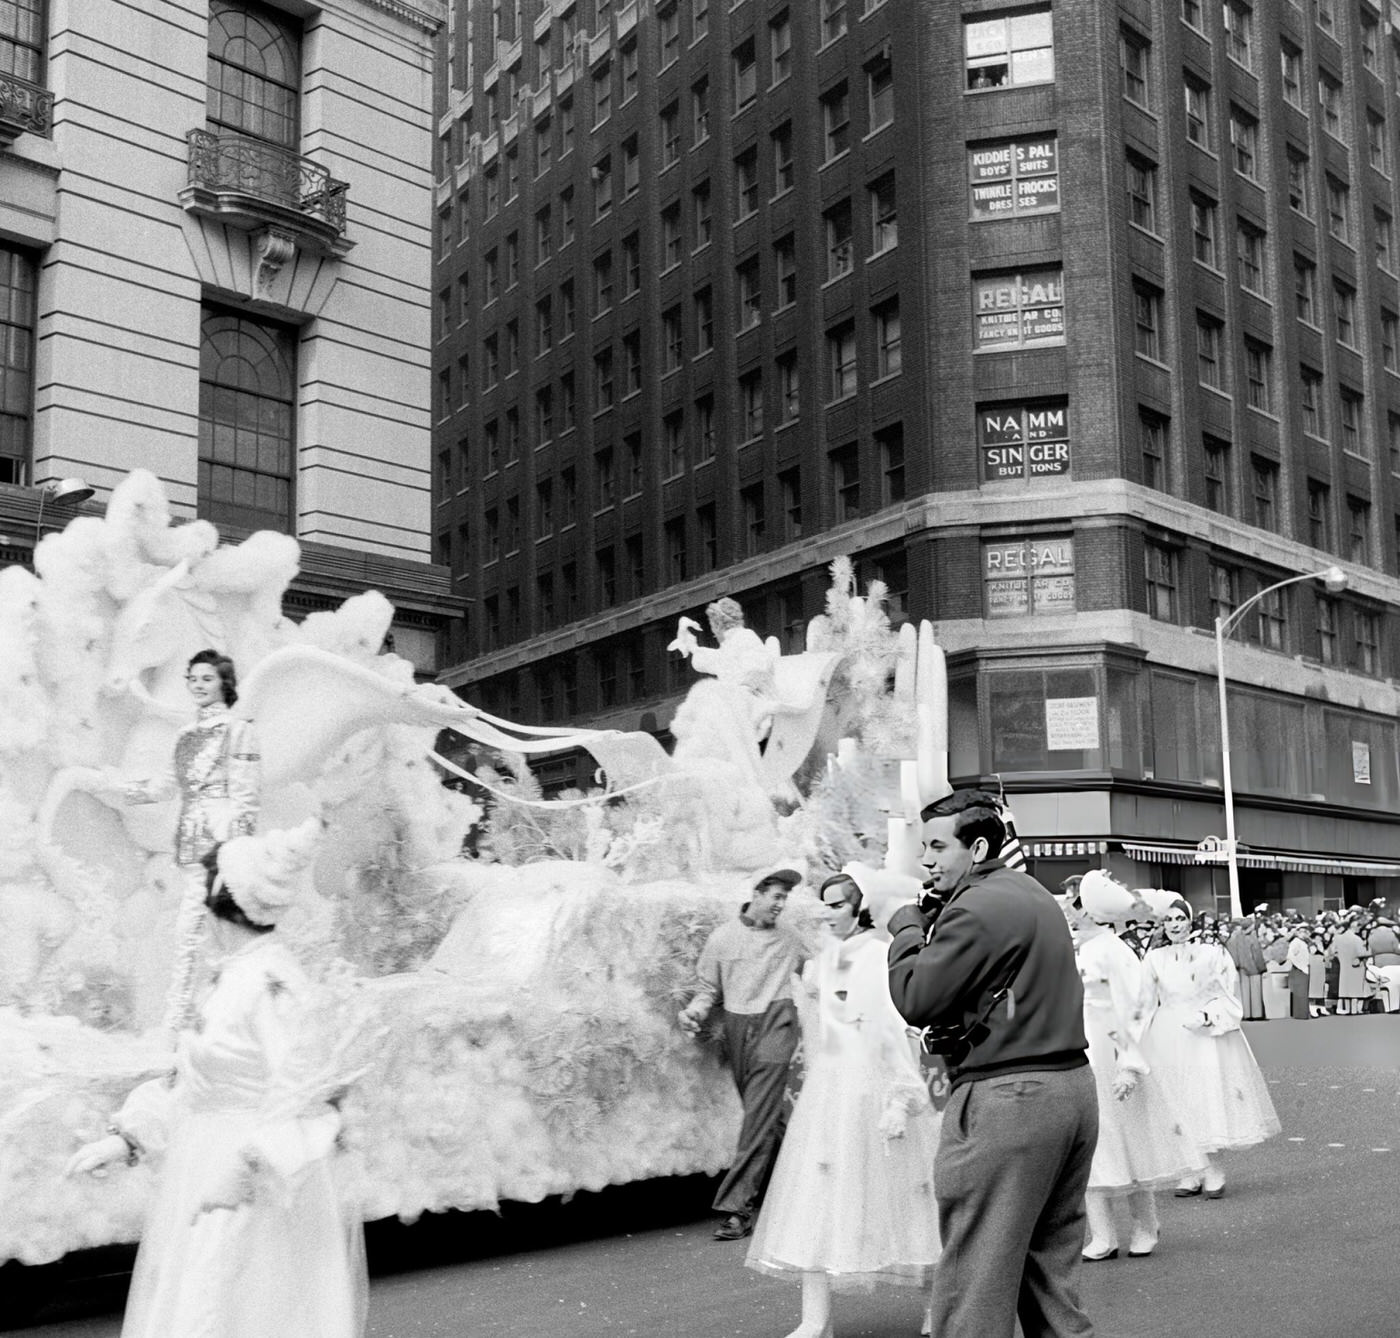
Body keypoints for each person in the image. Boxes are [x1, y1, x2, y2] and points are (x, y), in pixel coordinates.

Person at [64, 819, 366, 1338]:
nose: (196, 903)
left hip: (254, 1183)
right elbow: (192, 1084)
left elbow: (308, 1093)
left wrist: (247, 1170)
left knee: (232, 1308)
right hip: (201, 1163)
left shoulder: (273, 983)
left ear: (222, 896)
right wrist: (127, 1139)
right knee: (196, 1305)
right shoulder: (229, 975)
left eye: (202, 889)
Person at [871, 788, 1097, 1338]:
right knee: (1048, 1276)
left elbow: (918, 996)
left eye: (936, 847)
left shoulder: (977, 906)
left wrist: (904, 930)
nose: (924, 859)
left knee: (975, 1274)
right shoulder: (1027, 890)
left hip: (1009, 1095)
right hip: (1070, 1089)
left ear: (975, 848)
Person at [747, 866, 940, 1338]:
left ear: (860, 908)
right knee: (819, 1195)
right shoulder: (822, 960)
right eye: (826, 903)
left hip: (872, 1083)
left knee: (909, 1195)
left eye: (838, 904)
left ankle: (938, 1305)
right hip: (832, 1088)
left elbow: (888, 1027)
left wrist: (901, 1095)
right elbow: (821, 1035)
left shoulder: (876, 956)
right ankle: (816, 1319)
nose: (828, 913)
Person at [104, 648, 261, 1040]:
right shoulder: (186, 735)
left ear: (225, 682)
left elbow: (246, 796)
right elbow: (162, 787)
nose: (198, 685)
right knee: (198, 937)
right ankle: (193, 1024)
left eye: (207, 678)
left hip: (223, 851)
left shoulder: (239, 731)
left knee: (213, 936)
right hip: (191, 849)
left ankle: (202, 1026)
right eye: (192, 679)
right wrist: (115, 787)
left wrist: (234, 850)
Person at [1062, 874, 1205, 1263]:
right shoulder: (1075, 949)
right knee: (1090, 1147)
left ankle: (1145, 1224)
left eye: (1074, 902)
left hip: (1114, 1056)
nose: (1068, 910)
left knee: (1131, 1142)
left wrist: (1129, 1064)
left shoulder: (1114, 952)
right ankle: (1102, 1234)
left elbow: (1136, 1011)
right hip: (1082, 1055)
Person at [679, 864, 808, 1240]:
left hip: (777, 1023)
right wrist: (695, 1012)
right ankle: (809, 1183)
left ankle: (738, 1208)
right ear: (757, 892)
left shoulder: (790, 938)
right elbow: (707, 989)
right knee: (768, 1118)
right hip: (737, 1028)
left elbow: (824, 968)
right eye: (776, 896)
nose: (781, 905)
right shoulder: (722, 939)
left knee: (757, 1117)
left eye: (785, 897)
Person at [1141, 898, 1281, 1198]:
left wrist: (1209, 1015)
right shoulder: (1154, 958)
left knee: (1203, 1098)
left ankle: (1213, 1169)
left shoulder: (1211, 953)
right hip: (1167, 1035)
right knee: (1175, 1101)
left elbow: (1227, 991)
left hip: (1203, 1033)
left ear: (1190, 920)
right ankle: (1190, 1171)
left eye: (1180, 918)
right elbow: (1144, 1000)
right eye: (1169, 920)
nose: (1175, 925)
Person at [1225, 916, 1266, 1020]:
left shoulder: (1236, 937)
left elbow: (1232, 951)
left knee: (1245, 992)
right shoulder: (1253, 936)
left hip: (1242, 967)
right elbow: (1257, 954)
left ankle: (1247, 1014)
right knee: (1256, 991)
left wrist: (1237, 965)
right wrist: (1262, 967)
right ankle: (1257, 1014)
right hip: (1253, 967)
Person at [1331, 916, 1371, 1015]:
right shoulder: (1357, 939)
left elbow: (1333, 951)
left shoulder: (1339, 938)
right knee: (1355, 990)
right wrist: (1369, 951)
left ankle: (1347, 1009)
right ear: (1354, 926)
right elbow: (1361, 953)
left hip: (1344, 967)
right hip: (1356, 967)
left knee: (1346, 989)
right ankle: (1354, 1010)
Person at [1286, 927, 1313, 1020]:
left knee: (1303, 991)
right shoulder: (1296, 942)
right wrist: (1300, 966)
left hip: (1303, 968)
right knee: (1301, 992)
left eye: (1305, 932)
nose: (1304, 934)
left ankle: (1303, 1013)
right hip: (1300, 969)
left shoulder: (1302, 942)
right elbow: (1290, 955)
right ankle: (1301, 1013)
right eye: (1302, 932)